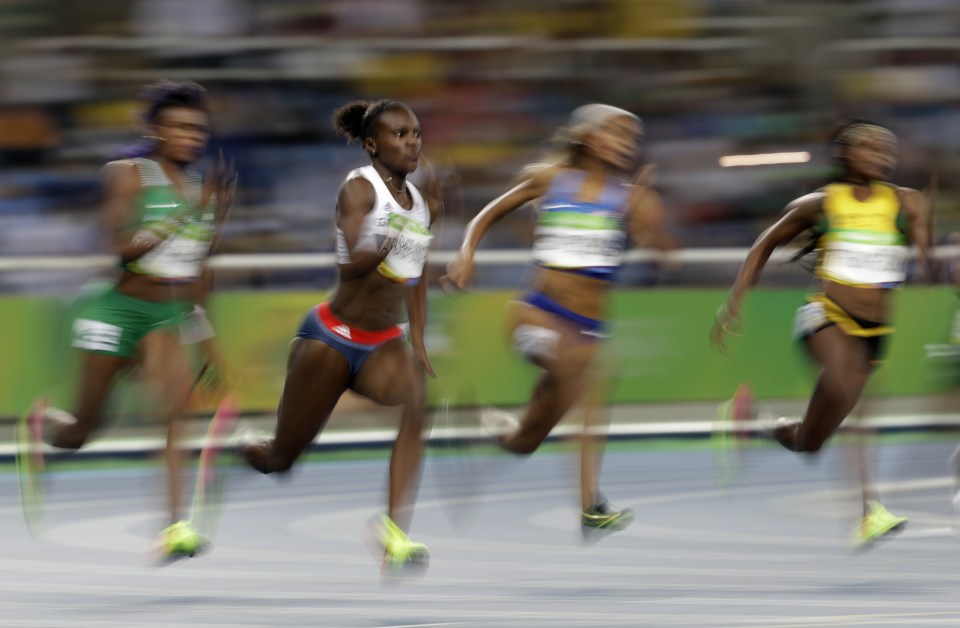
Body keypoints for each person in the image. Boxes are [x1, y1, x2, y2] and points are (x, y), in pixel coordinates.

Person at [16, 80, 235, 561]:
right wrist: (184, 216)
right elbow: (120, 248)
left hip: (166, 314)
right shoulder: (128, 173)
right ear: (156, 130)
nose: (191, 135)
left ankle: (175, 526)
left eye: (198, 128)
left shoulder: (205, 192)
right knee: (82, 431)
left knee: (177, 408)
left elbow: (197, 272)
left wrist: (210, 345)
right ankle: (42, 425)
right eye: (179, 126)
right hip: (114, 309)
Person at [442, 103, 677, 543]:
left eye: (631, 138)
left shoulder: (632, 197)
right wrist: (465, 253)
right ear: (585, 136)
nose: (625, 144)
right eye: (615, 133)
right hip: (536, 315)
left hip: (587, 330)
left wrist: (650, 220)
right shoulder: (549, 178)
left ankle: (485, 427)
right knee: (595, 375)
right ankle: (592, 506)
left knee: (524, 441)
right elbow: (488, 213)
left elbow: (667, 257)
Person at [237, 99, 441, 574]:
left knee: (419, 400)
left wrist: (421, 339)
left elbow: (418, 272)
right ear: (372, 144)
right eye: (399, 134)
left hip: (383, 342)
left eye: (415, 133)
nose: (412, 142)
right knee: (280, 462)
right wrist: (391, 242)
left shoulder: (423, 205)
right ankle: (246, 443)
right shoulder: (359, 188)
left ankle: (393, 530)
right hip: (331, 337)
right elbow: (349, 268)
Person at [711, 119, 932, 550]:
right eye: (869, 147)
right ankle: (870, 512)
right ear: (844, 154)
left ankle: (752, 423)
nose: (881, 156)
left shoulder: (907, 202)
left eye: (887, 149)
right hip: (825, 316)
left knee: (808, 443)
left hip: (877, 329)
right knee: (851, 388)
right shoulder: (821, 204)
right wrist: (734, 301)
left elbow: (925, 258)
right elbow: (764, 244)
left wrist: (926, 249)